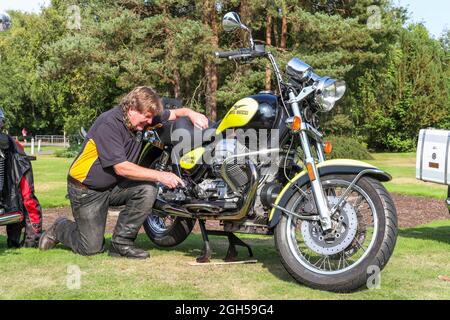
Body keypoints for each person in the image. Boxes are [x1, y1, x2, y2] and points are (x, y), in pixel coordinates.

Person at [38, 86, 208, 259]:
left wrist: (192, 113)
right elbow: (121, 167)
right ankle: (60, 228)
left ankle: (121, 244)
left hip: (114, 185)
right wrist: (161, 175)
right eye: (146, 117)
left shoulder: (142, 117)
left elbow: (176, 113)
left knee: (148, 189)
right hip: (86, 190)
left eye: (151, 117)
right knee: (90, 248)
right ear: (132, 108)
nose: (150, 122)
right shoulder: (109, 123)